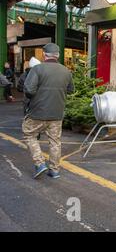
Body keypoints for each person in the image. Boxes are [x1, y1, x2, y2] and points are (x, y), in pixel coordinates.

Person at [23, 43, 74, 179]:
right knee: (55, 141)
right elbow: (70, 90)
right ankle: (54, 170)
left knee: (29, 135)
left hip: (37, 112)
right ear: (58, 55)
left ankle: (40, 163)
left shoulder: (37, 69)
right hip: (56, 114)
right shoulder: (66, 71)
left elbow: (28, 90)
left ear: (44, 55)